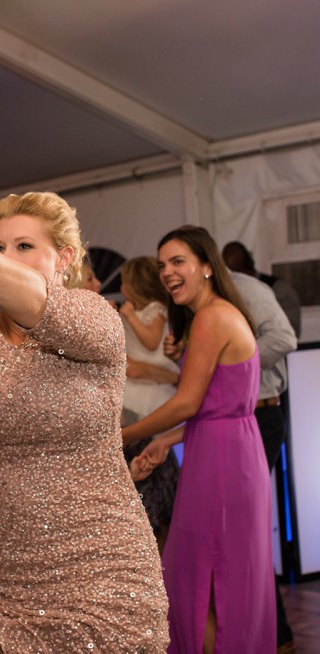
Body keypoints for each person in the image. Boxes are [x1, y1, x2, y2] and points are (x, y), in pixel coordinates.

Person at [0, 191, 169, 651]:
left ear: (63, 257)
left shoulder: (94, 319)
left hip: (102, 571)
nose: (4, 257)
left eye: (24, 246)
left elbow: (36, 302)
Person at [124, 225, 274, 653]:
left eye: (178, 262)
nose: (167, 272)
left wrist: (125, 434)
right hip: (227, 450)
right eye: (161, 265)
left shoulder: (212, 317)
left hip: (223, 463)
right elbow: (215, 407)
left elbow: (188, 402)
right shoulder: (218, 314)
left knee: (209, 579)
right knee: (210, 575)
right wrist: (167, 441)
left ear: (207, 267)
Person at [225, 268, 298, 652]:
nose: (170, 272)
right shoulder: (202, 303)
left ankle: (275, 633)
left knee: (245, 530)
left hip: (260, 416)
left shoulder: (245, 289)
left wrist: (237, 369)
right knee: (238, 531)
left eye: (178, 261)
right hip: (231, 419)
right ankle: (268, 632)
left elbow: (285, 338)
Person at [118, 256, 180, 545]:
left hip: (150, 394)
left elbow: (152, 342)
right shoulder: (133, 312)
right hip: (136, 387)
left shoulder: (155, 310)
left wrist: (129, 316)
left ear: (135, 285)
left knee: (153, 465)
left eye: (124, 281)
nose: (120, 287)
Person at [222, 240, 301, 338]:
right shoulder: (227, 292)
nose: (235, 279)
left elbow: (290, 332)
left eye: (237, 273)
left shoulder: (279, 289)